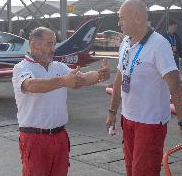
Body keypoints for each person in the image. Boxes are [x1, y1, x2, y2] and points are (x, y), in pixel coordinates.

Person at [105, 0, 182, 176]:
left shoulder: (159, 45)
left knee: (144, 172)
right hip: (128, 119)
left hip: (150, 123)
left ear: (137, 17)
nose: (118, 22)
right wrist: (113, 111)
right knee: (131, 170)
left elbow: (175, 84)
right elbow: (119, 78)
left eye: (122, 18)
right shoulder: (125, 42)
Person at [12, 27, 110, 176]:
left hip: (60, 137)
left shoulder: (58, 66)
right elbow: (31, 85)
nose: (53, 49)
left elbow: (81, 79)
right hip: (34, 139)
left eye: (54, 44)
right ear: (33, 45)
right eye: (48, 44)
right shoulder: (21, 68)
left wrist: (99, 75)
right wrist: (64, 81)